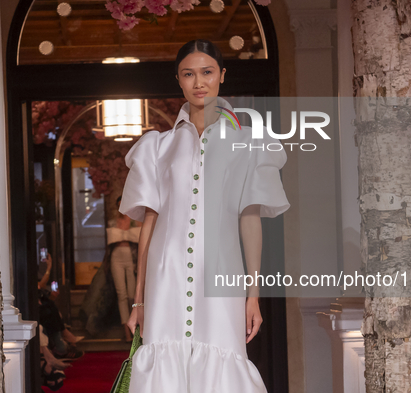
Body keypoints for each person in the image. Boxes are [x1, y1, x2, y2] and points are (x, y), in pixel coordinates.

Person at [118, 39, 290, 392]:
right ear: (178, 80)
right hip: (165, 274)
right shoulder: (158, 147)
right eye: (189, 74)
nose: (199, 82)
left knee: (222, 358)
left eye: (207, 72)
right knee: (163, 361)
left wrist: (253, 294)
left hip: (222, 272)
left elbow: (249, 219)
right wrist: (139, 299)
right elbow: (150, 225)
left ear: (222, 75)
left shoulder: (250, 144)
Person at [108, 196, 141, 342]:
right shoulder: (113, 222)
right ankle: (126, 332)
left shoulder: (134, 222)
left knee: (132, 294)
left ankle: (137, 327)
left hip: (130, 256)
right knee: (121, 293)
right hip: (116, 256)